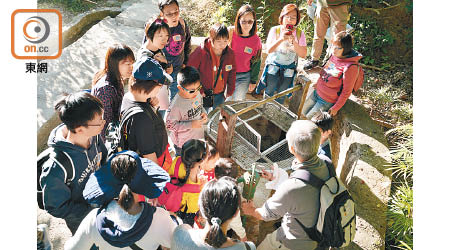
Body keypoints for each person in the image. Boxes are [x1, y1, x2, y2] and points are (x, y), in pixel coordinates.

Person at [241, 120, 331, 250]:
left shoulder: (291, 187)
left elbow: (266, 214)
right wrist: (276, 179)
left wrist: (250, 210)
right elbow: (305, 188)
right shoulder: (326, 163)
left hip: (293, 242)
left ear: (292, 149)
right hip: (320, 236)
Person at [65, 151, 175, 250]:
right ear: (143, 182)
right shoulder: (160, 218)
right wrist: (175, 220)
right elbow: (178, 243)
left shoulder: (93, 220)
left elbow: (72, 248)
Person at [40, 92, 108, 234]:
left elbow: (102, 158)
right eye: (99, 120)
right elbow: (56, 206)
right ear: (79, 129)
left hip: (101, 203)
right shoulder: (57, 167)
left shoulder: (93, 136)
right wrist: (91, 210)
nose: (104, 123)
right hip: (81, 220)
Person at [171, 177, 256, 250]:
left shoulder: (179, 234)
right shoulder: (243, 248)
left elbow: (185, 228)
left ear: (200, 206)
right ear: (236, 213)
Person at [121, 57, 172, 171]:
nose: (161, 87)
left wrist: (150, 104)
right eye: (160, 84)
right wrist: (160, 178)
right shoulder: (141, 118)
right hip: (156, 164)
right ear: (148, 86)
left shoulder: (128, 96)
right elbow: (149, 156)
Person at [301, 31, 362, 118]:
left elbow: (346, 91)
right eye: (332, 45)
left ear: (346, 49)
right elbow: (326, 72)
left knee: (309, 120)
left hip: (326, 101)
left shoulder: (350, 67)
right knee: (302, 112)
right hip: (316, 93)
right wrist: (318, 82)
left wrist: (336, 108)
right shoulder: (334, 56)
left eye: (338, 47)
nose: (333, 49)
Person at [256, 3, 307, 104]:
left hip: (289, 69)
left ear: (297, 20)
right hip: (273, 67)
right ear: (282, 17)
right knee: (269, 90)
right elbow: (269, 50)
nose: (290, 19)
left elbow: (303, 54)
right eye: (287, 16)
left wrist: (294, 42)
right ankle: (265, 112)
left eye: (293, 17)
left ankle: (275, 116)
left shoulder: (299, 33)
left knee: (282, 93)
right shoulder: (275, 30)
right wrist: (281, 39)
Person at [187, 23, 236, 112]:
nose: (222, 45)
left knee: (216, 116)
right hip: (204, 93)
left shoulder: (230, 53)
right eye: (219, 41)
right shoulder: (201, 52)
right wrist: (199, 90)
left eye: (225, 41)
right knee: (200, 116)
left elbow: (232, 71)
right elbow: (190, 72)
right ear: (211, 39)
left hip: (220, 93)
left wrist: (230, 89)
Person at [91, 44, 135, 140]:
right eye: (127, 64)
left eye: (132, 63)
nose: (131, 67)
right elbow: (104, 126)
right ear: (114, 64)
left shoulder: (117, 78)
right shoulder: (106, 89)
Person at [155, 0, 192, 101]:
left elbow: (187, 42)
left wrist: (185, 62)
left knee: (175, 101)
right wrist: (164, 66)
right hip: (161, 73)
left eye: (176, 11)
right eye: (169, 14)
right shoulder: (156, 27)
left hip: (178, 70)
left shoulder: (182, 24)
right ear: (162, 14)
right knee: (160, 103)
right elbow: (149, 51)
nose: (174, 16)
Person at [166, 66, 207, 156]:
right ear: (180, 88)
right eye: (192, 91)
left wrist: (204, 113)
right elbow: (170, 126)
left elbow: (200, 106)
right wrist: (191, 124)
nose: (196, 93)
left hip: (198, 137)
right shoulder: (176, 106)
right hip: (183, 144)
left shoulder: (196, 93)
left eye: (199, 88)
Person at [166, 139, 208, 226]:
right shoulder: (195, 182)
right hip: (184, 212)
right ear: (200, 161)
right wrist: (202, 187)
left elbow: (170, 175)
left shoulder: (177, 160)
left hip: (170, 202)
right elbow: (193, 208)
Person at [138, 17, 173, 118]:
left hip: (160, 95)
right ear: (149, 35)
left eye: (166, 36)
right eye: (160, 36)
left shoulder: (158, 49)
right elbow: (142, 80)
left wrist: (167, 64)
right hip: (151, 98)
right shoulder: (145, 56)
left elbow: (165, 70)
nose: (164, 40)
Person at [303, 0, 351, 70]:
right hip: (322, 3)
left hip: (339, 4)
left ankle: (330, 61)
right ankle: (314, 60)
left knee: (338, 38)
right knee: (318, 33)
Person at [228, 4, 262, 101]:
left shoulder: (256, 40)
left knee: (238, 101)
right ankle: (224, 117)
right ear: (238, 21)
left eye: (250, 21)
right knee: (227, 101)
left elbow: (257, 61)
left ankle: (234, 116)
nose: (247, 25)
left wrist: (253, 81)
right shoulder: (231, 33)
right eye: (243, 21)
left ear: (254, 22)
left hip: (244, 76)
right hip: (229, 74)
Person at [213, 158, 247, 241]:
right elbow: (236, 223)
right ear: (235, 177)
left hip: (212, 225)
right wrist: (243, 236)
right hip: (223, 229)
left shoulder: (210, 187)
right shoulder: (232, 199)